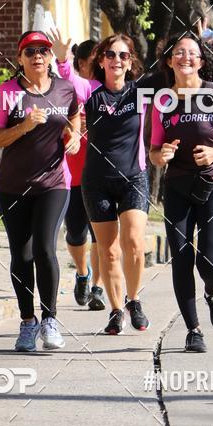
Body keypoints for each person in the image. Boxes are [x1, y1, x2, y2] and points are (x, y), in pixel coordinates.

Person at [51, 28, 161, 335]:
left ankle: (133, 300)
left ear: (130, 62)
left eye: (123, 55)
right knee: (109, 251)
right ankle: (115, 311)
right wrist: (62, 59)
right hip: (97, 180)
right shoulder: (91, 91)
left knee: (134, 242)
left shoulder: (140, 91)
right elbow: (69, 81)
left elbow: (173, 81)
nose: (116, 60)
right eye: (110, 54)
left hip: (134, 178)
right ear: (101, 60)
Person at [149, 32, 213, 353]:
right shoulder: (162, 102)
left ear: (201, 61)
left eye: (192, 53)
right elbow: (153, 151)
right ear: (169, 61)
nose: (186, 58)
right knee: (180, 257)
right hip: (177, 185)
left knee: (209, 258)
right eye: (179, 52)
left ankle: (212, 291)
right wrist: (161, 155)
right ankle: (193, 330)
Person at [0, 30, 80, 352]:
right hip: (12, 187)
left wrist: (74, 136)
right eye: (30, 51)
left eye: (43, 50)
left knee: (44, 248)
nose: (37, 56)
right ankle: (28, 322)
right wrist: (25, 126)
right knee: (21, 255)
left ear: (50, 57)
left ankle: (50, 319)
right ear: (20, 58)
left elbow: (75, 115)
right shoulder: (8, 92)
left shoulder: (64, 89)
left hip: (53, 184)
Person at [63, 39, 106, 310]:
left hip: (101, 176)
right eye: (97, 58)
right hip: (73, 175)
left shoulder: (108, 90)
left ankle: (98, 288)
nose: (103, 63)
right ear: (81, 63)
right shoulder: (69, 90)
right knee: (76, 235)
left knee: (101, 235)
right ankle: (82, 272)